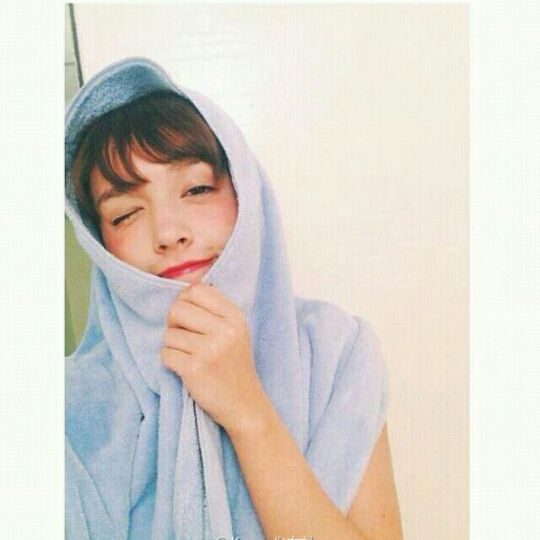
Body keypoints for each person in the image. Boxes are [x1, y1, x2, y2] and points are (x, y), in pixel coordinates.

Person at [65, 57, 403, 540]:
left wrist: (248, 413)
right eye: (125, 214)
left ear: (245, 192)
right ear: (98, 242)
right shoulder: (68, 404)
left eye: (197, 189)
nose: (168, 232)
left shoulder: (336, 352)